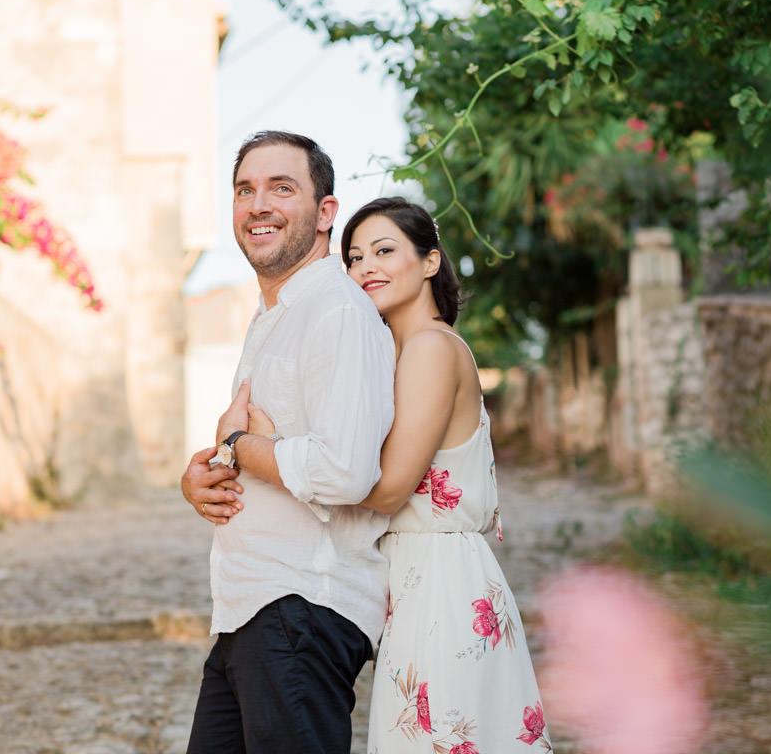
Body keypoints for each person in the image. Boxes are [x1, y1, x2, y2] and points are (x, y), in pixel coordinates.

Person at [247, 196, 552, 752]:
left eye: (384, 251)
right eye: (355, 257)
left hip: (439, 580)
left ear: (430, 262)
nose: (366, 267)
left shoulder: (431, 347)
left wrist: (269, 453)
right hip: (414, 578)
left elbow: (387, 491)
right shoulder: (395, 351)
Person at [179, 131, 396, 754]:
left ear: (325, 213)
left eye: (282, 187)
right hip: (250, 611)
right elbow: (256, 442)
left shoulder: (337, 310)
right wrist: (208, 471)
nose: (258, 204)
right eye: (245, 189)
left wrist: (241, 445)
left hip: (301, 607)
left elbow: (347, 470)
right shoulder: (274, 316)